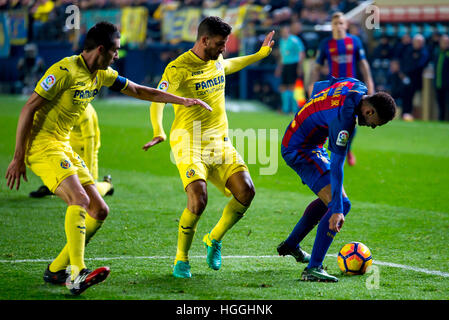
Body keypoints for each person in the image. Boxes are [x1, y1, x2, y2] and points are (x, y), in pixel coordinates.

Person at [5, 21, 210, 295]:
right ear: (100, 49)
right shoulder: (63, 71)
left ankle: (56, 269)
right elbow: (28, 109)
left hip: (63, 145)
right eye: (115, 51)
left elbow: (138, 90)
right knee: (79, 199)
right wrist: (18, 157)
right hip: (42, 145)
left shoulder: (101, 74)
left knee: (99, 210)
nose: (117, 56)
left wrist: (181, 100)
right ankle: (76, 273)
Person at [143, 16, 275, 279]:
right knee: (198, 198)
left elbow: (230, 64)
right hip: (188, 142)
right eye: (219, 44)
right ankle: (181, 258)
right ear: (204, 40)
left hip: (219, 141)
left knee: (246, 192)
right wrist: (158, 130)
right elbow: (158, 99)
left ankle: (213, 239)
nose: (223, 49)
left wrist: (260, 54)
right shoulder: (178, 68)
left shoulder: (216, 61)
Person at [278, 77, 396, 282]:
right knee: (341, 204)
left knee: (332, 200)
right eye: (375, 124)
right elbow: (337, 165)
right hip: (300, 149)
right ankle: (313, 269)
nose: (372, 127)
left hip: (305, 141)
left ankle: (291, 244)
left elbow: (320, 86)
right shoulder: (344, 121)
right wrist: (338, 209)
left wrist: (315, 116)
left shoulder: (356, 85)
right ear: (369, 112)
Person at [309, 12, 375, 167]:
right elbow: (317, 67)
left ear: (346, 25)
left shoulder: (355, 41)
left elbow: (363, 64)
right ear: (331, 26)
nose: (338, 26)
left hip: (353, 89)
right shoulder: (326, 44)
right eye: (335, 23)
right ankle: (337, 151)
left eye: (341, 23)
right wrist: (311, 84)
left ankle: (347, 149)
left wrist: (370, 82)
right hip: (334, 90)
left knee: (353, 121)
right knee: (333, 122)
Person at [29, 103, 114, 198]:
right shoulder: (67, 106)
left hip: (85, 151)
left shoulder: (85, 113)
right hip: (69, 148)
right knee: (67, 177)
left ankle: (107, 185)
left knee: (90, 190)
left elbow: (90, 144)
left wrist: (88, 172)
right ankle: (51, 187)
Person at [275, 23, 305, 114]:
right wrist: (279, 68)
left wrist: (299, 67)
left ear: (289, 31)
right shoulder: (281, 41)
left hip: (293, 64)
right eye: (282, 32)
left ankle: (294, 110)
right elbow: (282, 56)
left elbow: (301, 53)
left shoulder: (294, 40)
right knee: (283, 87)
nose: (284, 33)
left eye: (286, 31)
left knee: (293, 87)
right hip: (285, 65)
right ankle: (285, 109)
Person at [433, 34, 449, 121]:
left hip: (447, 84)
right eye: (443, 42)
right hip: (438, 83)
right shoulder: (437, 52)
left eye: (447, 42)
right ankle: (441, 119)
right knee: (441, 103)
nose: (445, 44)